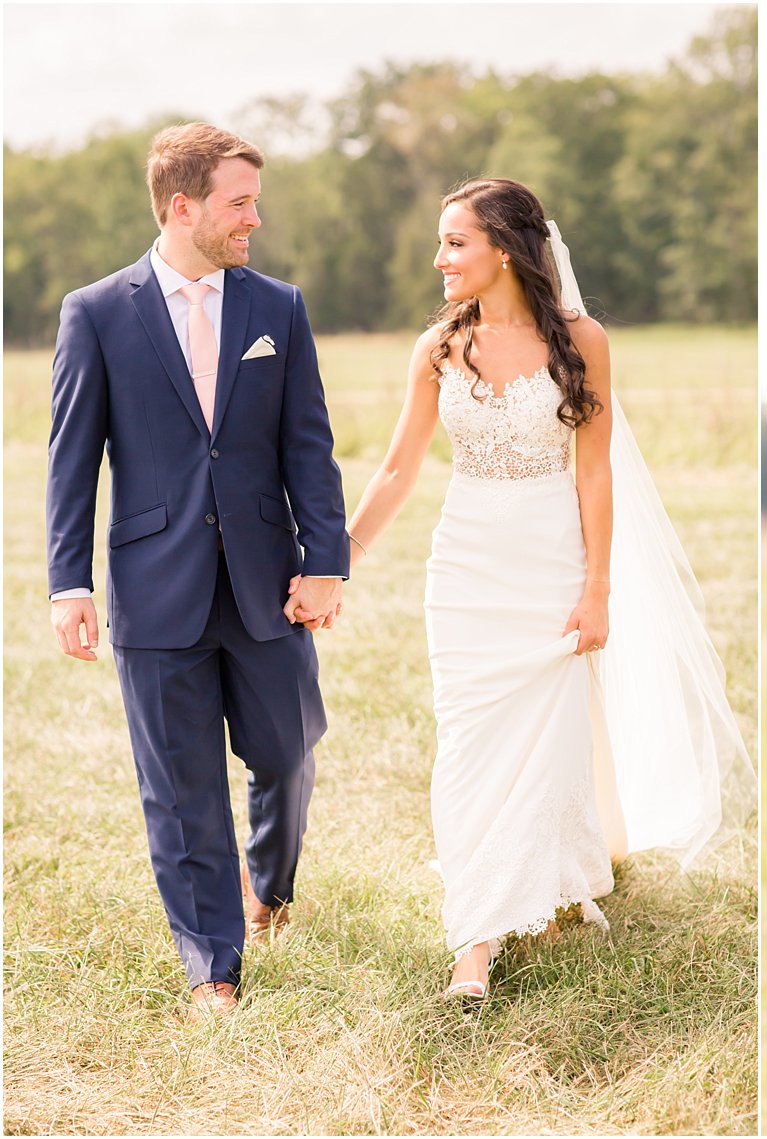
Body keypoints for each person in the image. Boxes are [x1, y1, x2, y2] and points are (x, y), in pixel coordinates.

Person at [343, 177, 753, 999]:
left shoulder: (583, 339)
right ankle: (477, 931)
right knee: (468, 744)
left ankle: (527, 902)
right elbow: (397, 467)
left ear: (504, 247)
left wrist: (598, 586)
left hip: (551, 563)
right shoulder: (436, 349)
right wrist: (338, 557)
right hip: (463, 569)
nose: (439, 259)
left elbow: (593, 470)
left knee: (551, 740)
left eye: (455, 242)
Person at [45, 123, 347, 1018]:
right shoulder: (96, 312)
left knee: (288, 756)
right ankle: (213, 969)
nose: (255, 218)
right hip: (154, 587)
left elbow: (309, 446)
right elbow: (71, 458)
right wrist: (69, 584)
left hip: (268, 583)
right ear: (183, 207)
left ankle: (270, 887)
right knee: (180, 791)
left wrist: (324, 561)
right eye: (239, 202)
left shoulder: (277, 308)